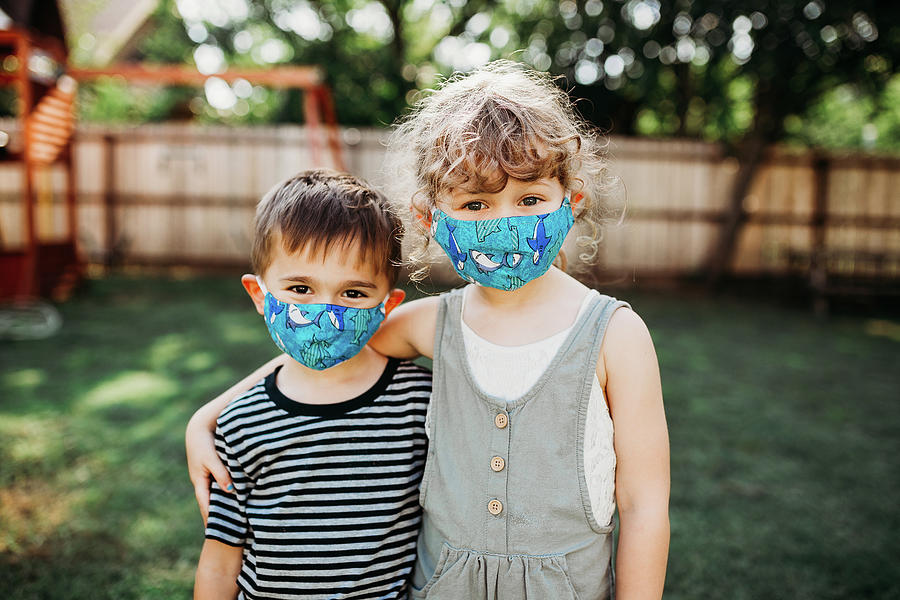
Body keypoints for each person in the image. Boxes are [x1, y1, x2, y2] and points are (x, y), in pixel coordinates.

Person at [188, 60, 669, 599]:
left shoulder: (616, 335)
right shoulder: (430, 323)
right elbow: (326, 344)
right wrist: (209, 417)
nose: (502, 224)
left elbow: (643, 506)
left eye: (529, 199)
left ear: (571, 202)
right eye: (475, 204)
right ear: (429, 217)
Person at [192, 169, 432, 600]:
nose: (325, 311)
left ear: (388, 305)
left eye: (353, 294)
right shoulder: (240, 422)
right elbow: (221, 560)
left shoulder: (419, 401)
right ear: (260, 296)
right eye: (301, 288)